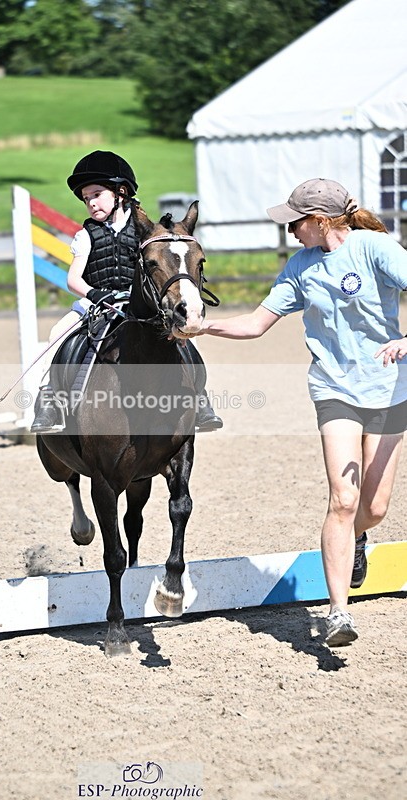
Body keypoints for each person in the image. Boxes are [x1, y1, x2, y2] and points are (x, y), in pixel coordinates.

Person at [174, 178, 407, 647]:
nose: (290, 232)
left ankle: (358, 540)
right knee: (343, 499)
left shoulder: (376, 249)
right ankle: (338, 613)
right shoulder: (299, 267)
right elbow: (259, 323)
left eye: (296, 223)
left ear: (321, 221)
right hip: (333, 389)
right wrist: (206, 328)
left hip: (389, 391)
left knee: (374, 508)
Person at [31, 149, 222, 434]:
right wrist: (94, 294)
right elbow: (73, 279)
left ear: (120, 192)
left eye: (96, 194)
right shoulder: (86, 236)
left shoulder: (147, 232)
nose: (90, 203)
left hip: (140, 302)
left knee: (182, 336)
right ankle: (48, 400)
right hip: (96, 303)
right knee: (57, 333)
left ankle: (200, 397)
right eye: (86, 199)